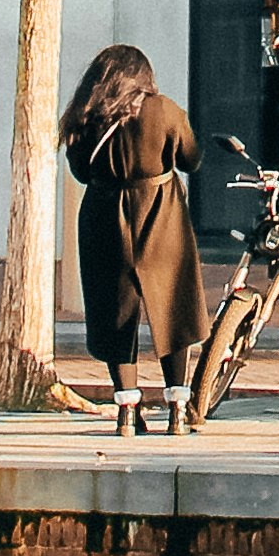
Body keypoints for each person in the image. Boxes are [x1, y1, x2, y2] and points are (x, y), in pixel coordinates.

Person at [61, 41, 205, 434]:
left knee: (115, 312)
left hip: (104, 216)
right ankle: (178, 407)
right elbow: (192, 158)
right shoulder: (166, 110)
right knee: (173, 307)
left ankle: (126, 411)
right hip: (161, 214)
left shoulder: (87, 116)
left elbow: (78, 171)